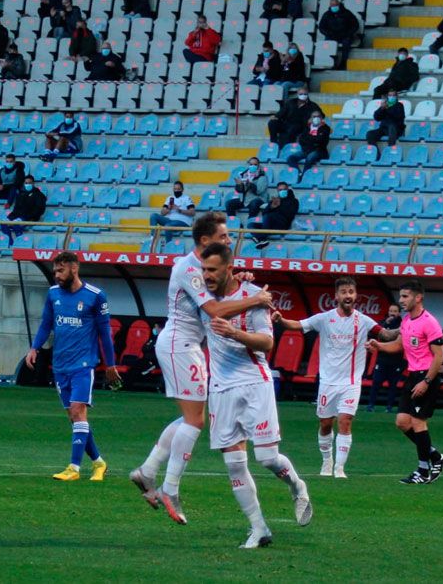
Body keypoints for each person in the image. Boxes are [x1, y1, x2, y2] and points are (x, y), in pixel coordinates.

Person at [128, 213, 276, 525]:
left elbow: (222, 292)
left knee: (190, 419)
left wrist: (238, 279)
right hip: (180, 344)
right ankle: (170, 488)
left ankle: (148, 470)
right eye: (223, 237)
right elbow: (214, 310)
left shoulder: (205, 268)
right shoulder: (189, 269)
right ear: (205, 241)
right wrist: (256, 299)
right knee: (195, 421)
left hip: (188, 345)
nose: (228, 241)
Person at [196, 242, 311, 547]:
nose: (206, 275)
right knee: (234, 463)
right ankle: (259, 527)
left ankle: (298, 486)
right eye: (204, 269)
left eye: (212, 270)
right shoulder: (202, 296)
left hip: (254, 384)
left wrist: (235, 333)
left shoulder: (254, 296)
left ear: (229, 269)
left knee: (267, 458)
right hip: (220, 390)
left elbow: (267, 343)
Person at [274, 278, 392, 478]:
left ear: (356, 296)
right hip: (328, 382)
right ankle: (326, 461)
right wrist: (281, 320)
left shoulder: (363, 320)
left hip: (351, 383)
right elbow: (297, 325)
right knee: (325, 424)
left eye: (351, 292)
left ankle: (339, 468)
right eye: (344, 292)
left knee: (345, 421)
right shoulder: (324, 318)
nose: (348, 295)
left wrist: (406, 329)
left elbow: (385, 334)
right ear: (336, 296)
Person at [24, 252, 120, 482]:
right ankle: (99, 463)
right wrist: (34, 347)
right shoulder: (53, 294)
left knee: (78, 411)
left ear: (74, 268)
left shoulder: (95, 296)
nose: (56, 275)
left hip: (83, 364)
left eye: (60, 270)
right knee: (75, 418)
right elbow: (46, 322)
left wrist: (111, 364)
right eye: (55, 271)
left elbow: (105, 333)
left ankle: (73, 468)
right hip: (60, 365)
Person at [366, 280, 443, 484]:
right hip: (412, 375)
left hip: (426, 376)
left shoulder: (429, 322)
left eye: (405, 296)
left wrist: (427, 381)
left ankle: (423, 471)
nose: (401, 300)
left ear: (418, 297)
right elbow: (398, 345)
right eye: (401, 296)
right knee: (402, 422)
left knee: (418, 421)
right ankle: (436, 457)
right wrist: (378, 345)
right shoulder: (406, 321)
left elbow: (439, 356)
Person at [367, 305, 404, 412]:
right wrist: (386, 324)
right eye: (391, 310)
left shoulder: (403, 324)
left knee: (393, 385)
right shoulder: (382, 323)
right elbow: (374, 333)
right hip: (382, 358)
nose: (392, 313)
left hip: (396, 360)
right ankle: (371, 405)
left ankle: (389, 407)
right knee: (376, 383)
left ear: (399, 313)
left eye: (395, 311)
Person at [251, 182, 298, 248]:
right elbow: (264, 212)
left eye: (284, 189)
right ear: (277, 191)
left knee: (269, 216)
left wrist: (280, 206)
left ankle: (260, 238)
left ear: (287, 189)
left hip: (282, 225)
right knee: (251, 225)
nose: (282, 191)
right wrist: (272, 207)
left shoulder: (294, 201)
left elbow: (290, 215)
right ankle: (262, 240)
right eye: (280, 190)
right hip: (270, 225)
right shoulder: (275, 200)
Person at [318, 0, 361, 69]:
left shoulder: (347, 13)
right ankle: (328, 62)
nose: (333, 6)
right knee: (327, 43)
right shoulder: (326, 14)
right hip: (332, 36)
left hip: (345, 35)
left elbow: (355, 25)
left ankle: (344, 62)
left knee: (346, 42)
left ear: (339, 5)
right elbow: (321, 27)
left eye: (335, 5)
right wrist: (329, 33)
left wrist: (348, 33)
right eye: (332, 5)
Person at [286, 112, 330, 179]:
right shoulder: (307, 127)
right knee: (291, 158)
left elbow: (320, 141)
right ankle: (299, 173)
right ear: (311, 118)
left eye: (318, 116)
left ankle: (304, 176)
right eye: (314, 116)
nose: (316, 118)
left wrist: (309, 138)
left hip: (319, 151)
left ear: (321, 118)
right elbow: (301, 140)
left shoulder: (325, 128)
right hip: (306, 150)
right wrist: (313, 139)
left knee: (309, 158)